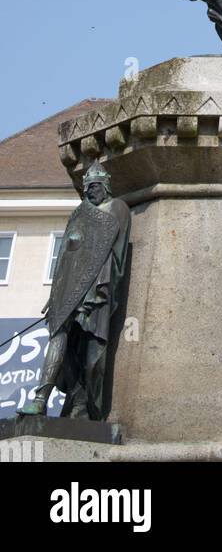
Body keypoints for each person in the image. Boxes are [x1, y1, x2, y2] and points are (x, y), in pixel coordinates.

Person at [21, 161, 130, 420]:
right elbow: (66, 259)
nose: (90, 193)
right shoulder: (79, 214)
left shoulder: (117, 208)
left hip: (97, 292)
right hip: (69, 293)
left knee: (93, 357)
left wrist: (96, 287)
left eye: (95, 187)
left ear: (105, 185)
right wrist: (55, 293)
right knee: (59, 338)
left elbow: (114, 256)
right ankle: (41, 398)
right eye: (87, 189)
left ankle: (86, 407)